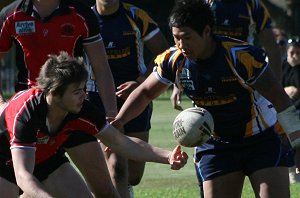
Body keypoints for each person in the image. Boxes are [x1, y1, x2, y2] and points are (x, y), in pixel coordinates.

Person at [111, 1, 300, 197]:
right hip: (216, 145)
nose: (181, 45)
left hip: (260, 140)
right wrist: (120, 121)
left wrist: (297, 144)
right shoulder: (173, 60)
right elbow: (145, 93)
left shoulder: (240, 57)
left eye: (187, 37)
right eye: (176, 38)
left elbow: (280, 99)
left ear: (207, 31)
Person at [0, 51, 188, 198]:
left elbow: (120, 142)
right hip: (6, 160)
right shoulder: (25, 113)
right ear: (55, 93)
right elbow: (23, 175)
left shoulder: (82, 108)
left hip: (46, 158)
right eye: (76, 91)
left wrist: (168, 156)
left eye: (83, 88)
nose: (84, 95)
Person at [0, 0, 119, 196]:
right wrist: (2, 102)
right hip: (31, 115)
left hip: (71, 109)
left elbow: (101, 67)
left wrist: (110, 114)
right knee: (27, 180)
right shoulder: (11, 14)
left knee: (105, 190)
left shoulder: (80, 13)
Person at [85, 0, 169, 196]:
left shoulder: (137, 16)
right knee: (116, 167)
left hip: (136, 99)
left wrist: (140, 83)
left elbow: (163, 52)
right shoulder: (85, 19)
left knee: (133, 175)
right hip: (98, 100)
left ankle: (121, 188)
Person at [170, 0, 283, 110]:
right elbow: (187, 43)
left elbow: (272, 47)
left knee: (246, 120)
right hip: (204, 75)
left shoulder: (253, 5)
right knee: (203, 122)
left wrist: (276, 88)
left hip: (242, 76)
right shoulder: (203, 4)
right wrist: (178, 82)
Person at [282, 38, 300, 184]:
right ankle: (291, 171)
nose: (295, 56)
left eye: (298, 53)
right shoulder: (281, 67)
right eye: (292, 53)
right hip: (286, 111)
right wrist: (287, 91)